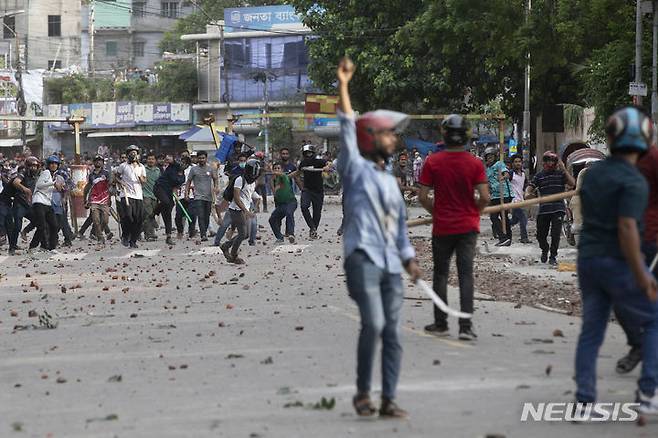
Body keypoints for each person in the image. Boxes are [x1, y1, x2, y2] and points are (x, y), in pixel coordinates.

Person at [336, 58, 421, 418]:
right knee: (374, 323)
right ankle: (361, 393)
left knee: (394, 332)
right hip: (362, 258)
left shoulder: (391, 181)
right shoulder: (354, 168)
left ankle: (388, 398)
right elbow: (345, 124)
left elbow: (399, 228)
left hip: (390, 263)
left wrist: (409, 258)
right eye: (388, 133)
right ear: (370, 137)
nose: (395, 140)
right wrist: (343, 85)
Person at [575, 106, 658, 416]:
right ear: (645, 138)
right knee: (652, 320)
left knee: (591, 330)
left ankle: (585, 400)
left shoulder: (592, 174)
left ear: (610, 138)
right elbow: (626, 229)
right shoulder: (635, 182)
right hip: (619, 262)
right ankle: (649, 392)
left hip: (588, 260)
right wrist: (642, 275)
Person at [418, 115, 490, 340]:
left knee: (440, 275)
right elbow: (485, 197)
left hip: (443, 228)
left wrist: (436, 212)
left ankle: (441, 323)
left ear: (444, 134)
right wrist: (473, 212)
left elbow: (422, 196)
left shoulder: (433, 162)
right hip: (468, 227)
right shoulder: (475, 163)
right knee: (465, 275)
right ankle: (465, 327)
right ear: (467, 135)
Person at [525, 151, 575, 265]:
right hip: (544, 209)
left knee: (555, 233)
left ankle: (553, 256)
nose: (551, 163)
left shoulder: (560, 174)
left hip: (558, 208)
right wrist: (527, 194)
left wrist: (564, 169)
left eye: (553, 161)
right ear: (544, 162)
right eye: (548, 160)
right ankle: (544, 249)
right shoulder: (539, 176)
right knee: (540, 235)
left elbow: (572, 183)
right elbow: (530, 187)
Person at [219, 159, 261, 264]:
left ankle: (226, 246)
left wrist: (256, 204)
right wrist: (246, 211)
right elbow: (237, 198)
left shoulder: (252, 183)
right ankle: (233, 255)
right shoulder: (239, 180)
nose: (253, 177)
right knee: (243, 234)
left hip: (244, 210)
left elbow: (250, 195)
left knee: (245, 234)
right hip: (236, 210)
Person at [114, 145, 146, 248]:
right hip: (126, 195)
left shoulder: (141, 167)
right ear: (128, 155)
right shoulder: (123, 166)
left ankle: (133, 240)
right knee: (128, 217)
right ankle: (125, 235)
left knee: (138, 219)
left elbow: (144, 181)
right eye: (131, 153)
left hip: (138, 196)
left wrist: (142, 179)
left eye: (135, 153)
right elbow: (116, 177)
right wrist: (120, 182)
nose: (133, 155)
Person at [30, 155, 63, 252]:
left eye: (55, 164)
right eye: (52, 163)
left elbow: (47, 188)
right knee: (42, 226)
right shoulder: (46, 172)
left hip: (47, 203)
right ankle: (32, 247)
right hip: (39, 201)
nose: (53, 165)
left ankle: (50, 247)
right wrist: (53, 184)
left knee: (54, 225)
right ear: (48, 165)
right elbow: (39, 185)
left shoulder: (54, 176)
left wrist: (56, 187)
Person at [6, 157, 38, 254]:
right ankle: (12, 247)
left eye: (35, 166)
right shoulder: (23, 173)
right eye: (32, 166)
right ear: (27, 166)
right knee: (17, 226)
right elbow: (16, 182)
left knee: (37, 220)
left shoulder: (36, 176)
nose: (34, 168)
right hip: (19, 204)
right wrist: (24, 189)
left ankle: (26, 231)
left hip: (29, 204)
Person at [296, 144, 329, 240]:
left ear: (313, 153)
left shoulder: (319, 162)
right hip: (307, 190)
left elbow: (329, 164)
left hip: (318, 191)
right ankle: (312, 227)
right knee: (304, 206)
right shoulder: (302, 163)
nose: (308, 155)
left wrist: (327, 167)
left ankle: (314, 230)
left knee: (317, 212)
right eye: (306, 153)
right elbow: (297, 173)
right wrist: (286, 176)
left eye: (310, 153)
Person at [185, 151, 218, 242]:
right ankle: (203, 234)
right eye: (199, 158)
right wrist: (186, 194)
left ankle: (205, 231)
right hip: (198, 196)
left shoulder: (210, 169)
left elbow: (215, 179)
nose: (201, 160)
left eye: (203, 158)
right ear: (197, 159)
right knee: (200, 215)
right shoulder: (194, 169)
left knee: (207, 216)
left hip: (209, 196)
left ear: (206, 158)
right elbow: (188, 182)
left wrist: (216, 188)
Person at [153, 156, 185, 246]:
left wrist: (175, 195)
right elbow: (171, 161)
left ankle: (168, 236)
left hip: (168, 192)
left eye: (185, 164)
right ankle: (154, 213)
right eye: (182, 162)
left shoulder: (183, 177)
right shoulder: (173, 166)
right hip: (159, 188)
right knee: (166, 202)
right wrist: (171, 159)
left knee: (168, 211)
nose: (183, 165)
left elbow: (176, 186)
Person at [484, 146, 512, 246]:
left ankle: (504, 237)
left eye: (491, 156)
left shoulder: (499, 164)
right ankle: (507, 238)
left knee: (498, 216)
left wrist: (503, 177)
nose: (489, 159)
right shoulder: (487, 169)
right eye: (488, 157)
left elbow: (507, 174)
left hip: (503, 194)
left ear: (495, 157)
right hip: (494, 195)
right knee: (499, 216)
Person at [82, 155, 112, 246]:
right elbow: (88, 188)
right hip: (94, 200)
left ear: (103, 163)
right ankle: (100, 237)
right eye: (96, 161)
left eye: (100, 161)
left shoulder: (107, 173)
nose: (98, 162)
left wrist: (110, 197)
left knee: (105, 221)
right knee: (95, 220)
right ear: (94, 163)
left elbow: (110, 186)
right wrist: (85, 200)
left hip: (104, 200)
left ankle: (98, 233)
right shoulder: (91, 175)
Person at [269, 162, 298, 243]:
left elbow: (282, 175)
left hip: (291, 202)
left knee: (289, 213)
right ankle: (279, 237)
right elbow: (275, 194)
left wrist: (276, 173)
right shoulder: (273, 181)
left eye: (278, 168)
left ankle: (291, 234)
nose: (277, 170)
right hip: (281, 204)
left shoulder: (284, 177)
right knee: (272, 219)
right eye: (275, 168)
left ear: (282, 170)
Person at [509, 154, 530, 243]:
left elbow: (526, 185)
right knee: (523, 218)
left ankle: (499, 225)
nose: (518, 163)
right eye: (516, 162)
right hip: (514, 200)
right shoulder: (510, 174)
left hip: (521, 199)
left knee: (514, 220)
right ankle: (524, 237)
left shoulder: (524, 174)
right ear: (512, 163)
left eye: (519, 162)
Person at [176, 156, 196, 239]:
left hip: (191, 195)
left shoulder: (193, 169)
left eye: (184, 162)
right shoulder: (177, 171)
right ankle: (180, 231)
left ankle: (192, 232)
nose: (182, 164)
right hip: (180, 195)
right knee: (179, 215)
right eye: (181, 162)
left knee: (191, 214)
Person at [142, 153, 161, 241]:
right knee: (148, 214)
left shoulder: (158, 170)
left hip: (155, 195)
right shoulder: (143, 169)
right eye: (149, 159)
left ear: (155, 161)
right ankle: (148, 234)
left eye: (152, 159)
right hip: (145, 195)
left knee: (151, 215)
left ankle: (150, 232)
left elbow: (160, 182)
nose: (151, 161)